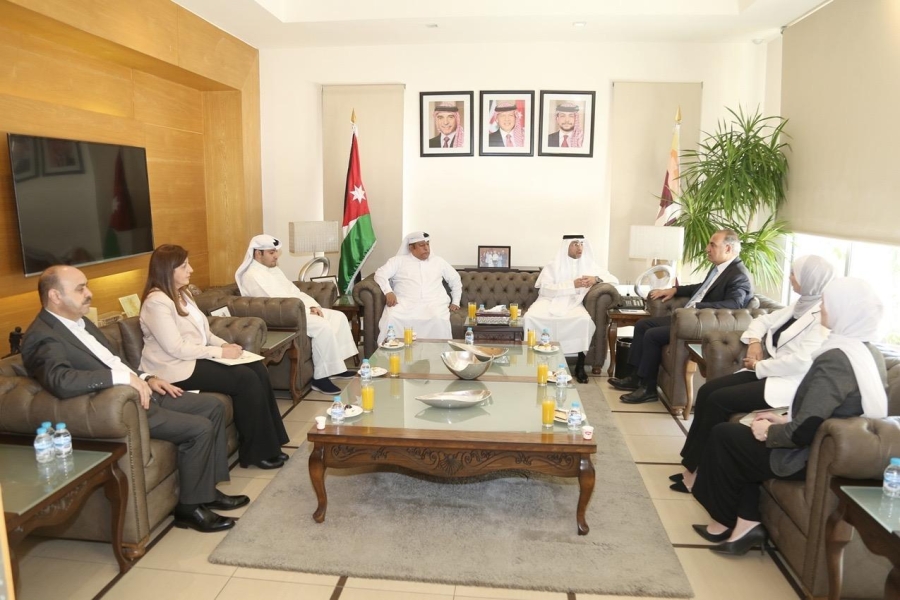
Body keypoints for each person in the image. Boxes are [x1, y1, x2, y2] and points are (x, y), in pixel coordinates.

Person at [22, 266, 247, 533]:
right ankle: (189, 509)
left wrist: (147, 377)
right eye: (80, 289)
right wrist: (124, 379)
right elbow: (60, 380)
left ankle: (206, 492)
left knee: (213, 406)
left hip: (144, 390)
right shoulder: (42, 336)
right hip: (122, 406)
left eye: (87, 286)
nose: (89, 293)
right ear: (55, 296)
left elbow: (115, 361)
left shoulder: (81, 322)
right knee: (199, 428)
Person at [690, 278, 887, 555]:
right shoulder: (867, 351)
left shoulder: (837, 359)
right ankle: (745, 523)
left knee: (724, 436)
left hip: (812, 455)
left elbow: (806, 429)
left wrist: (771, 432)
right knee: (737, 434)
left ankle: (724, 521)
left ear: (844, 309)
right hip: (831, 446)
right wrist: (783, 420)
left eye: (828, 303)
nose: (823, 308)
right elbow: (830, 413)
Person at [670, 255, 834, 493]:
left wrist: (759, 366)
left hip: (788, 383)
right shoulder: (800, 305)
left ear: (809, 280)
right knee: (707, 390)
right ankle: (692, 464)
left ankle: (698, 473)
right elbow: (762, 320)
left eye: (793, 274)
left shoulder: (822, 316)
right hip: (768, 371)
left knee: (718, 400)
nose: (789, 277)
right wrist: (755, 342)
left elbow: (800, 363)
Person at [139, 245, 289, 470]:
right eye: (184, 266)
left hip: (193, 359)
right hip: (173, 368)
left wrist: (224, 344)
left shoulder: (183, 293)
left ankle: (272, 442)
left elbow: (205, 333)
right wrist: (220, 353)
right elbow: (175, 348)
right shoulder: (156, 302)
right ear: (167, 270)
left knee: (258, 368)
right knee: (245, 379)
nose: (190, 269)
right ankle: (255, 453)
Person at [610, 229, 753, 404]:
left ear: (728, 248)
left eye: (712, 245)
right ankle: (635, 377)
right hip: (691, 317)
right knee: (642, 325)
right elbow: (703, 288)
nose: (707, 249)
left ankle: (648, 388)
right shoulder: (720, 268)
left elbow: (734, 305)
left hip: (703, 324)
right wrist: (675, 290)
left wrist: (697, 307)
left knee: (652, 335)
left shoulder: (738, 275)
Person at [235, 234, 357, 395]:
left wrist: (312, 305)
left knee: (338, 317)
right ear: (258, 253)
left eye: (275, 252)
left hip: (296, 310)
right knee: (322, 326)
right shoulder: (252, 276)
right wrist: (305, 311)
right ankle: (320, 379)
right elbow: (275, 304)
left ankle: (336, 367)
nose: (276, 256)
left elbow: (294, 291)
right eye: (271, 252)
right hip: (282, 318)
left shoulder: (273, 270)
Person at [524, 235, 618, 384]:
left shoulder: (589, 264)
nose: (579, 247)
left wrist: (596, 279)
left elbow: (614, 279)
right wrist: (571, 285)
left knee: (584, 320)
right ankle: (534, 363)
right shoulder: (553, 265)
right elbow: (545, 290)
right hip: (548, 301)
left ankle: (580, 366)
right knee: (530, 318)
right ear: (566, 246)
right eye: (575, 244)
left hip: (573, 302)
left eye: (581, 244)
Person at [373, 231, 462, 344]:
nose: (426, 248)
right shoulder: (398, 261)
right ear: (411, 247)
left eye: (427, 244)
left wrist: (455, 301)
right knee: (392, 317)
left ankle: (437, 353)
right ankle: (391, 352)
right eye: (421, 245)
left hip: (434, 303)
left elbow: (455, 279)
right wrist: (388, 291)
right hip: (405, 303)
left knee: (438, 319)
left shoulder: (438, 261)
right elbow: (380, 274)